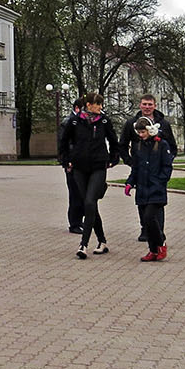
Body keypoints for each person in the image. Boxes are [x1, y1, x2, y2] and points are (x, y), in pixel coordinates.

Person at [58, 91, 118, 259]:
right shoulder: (75, 121)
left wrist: (113, 158)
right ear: (89, 105)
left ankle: (83, 244)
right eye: (97, 104)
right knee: (88, 205)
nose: (100, 107)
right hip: (79, 166)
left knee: (90, 201)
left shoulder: (104, 121)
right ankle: (102, 241)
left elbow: (114, 141)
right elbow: (64, 142)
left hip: (98, 166)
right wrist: (66, 160)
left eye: (101, 104)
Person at [125, 117, 172, 261]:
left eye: (143, 132)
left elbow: (167, 167)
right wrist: (130, 183)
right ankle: (153, 250)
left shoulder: (162, 145)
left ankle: (161, 244)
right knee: (146, 222)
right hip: (142, 190)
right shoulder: (138, 147)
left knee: (150, 217)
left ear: (150, 130)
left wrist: (160, 181)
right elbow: (136, 168)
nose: (141, 135)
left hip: (156, 189)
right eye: (139, 132)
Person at [119, 94, 175, 164]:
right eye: (144, 104)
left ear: (155, 106)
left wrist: (168, 160)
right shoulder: (131, 123)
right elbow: (123, 144)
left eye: (150, 104)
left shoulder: (164, 124)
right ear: (140, 105)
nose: (147, 107)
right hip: (139, 164)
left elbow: (171, 144)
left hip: (159, 165)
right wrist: (129, 161)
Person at [59, 100, 85, 233]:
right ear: (77, 108)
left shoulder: (85, 121)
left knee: (83, 193)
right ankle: (74, 223)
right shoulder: (68, 121)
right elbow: (64, 143)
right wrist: (68, 160)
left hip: (83, 162)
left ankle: (81, 220)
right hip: (72, 163)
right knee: (75, 193)